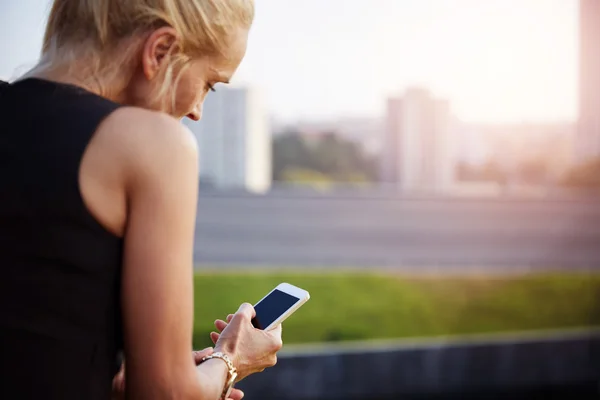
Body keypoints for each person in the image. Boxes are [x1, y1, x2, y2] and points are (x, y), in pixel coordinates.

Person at [0, 0, 283, 399]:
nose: (199, 111)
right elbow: (162, 394)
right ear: (160, 51)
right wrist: (232, 359)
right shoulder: (152, 145)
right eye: (209, 83)